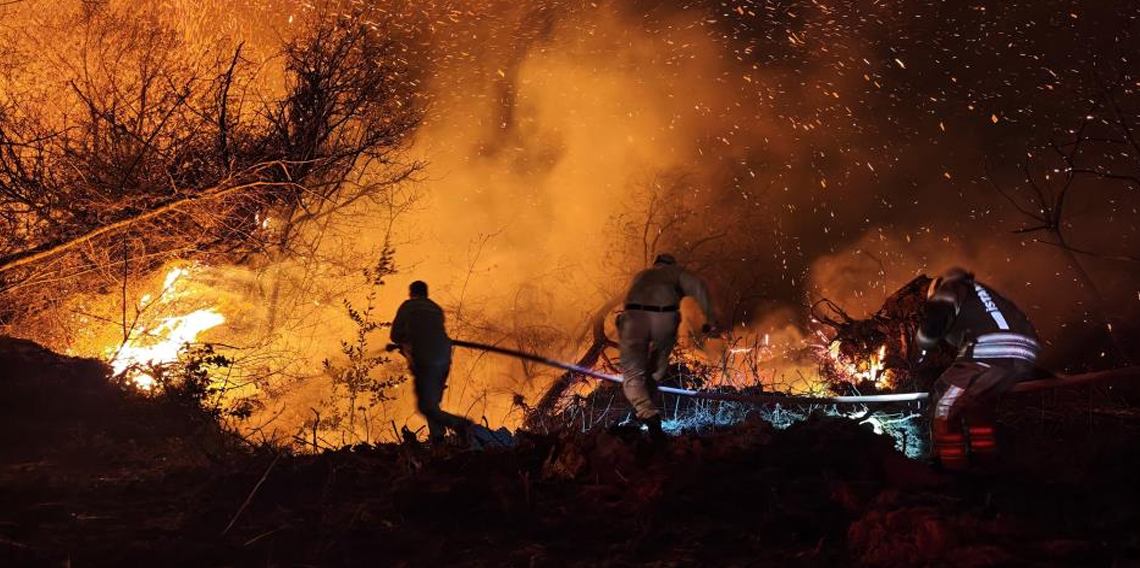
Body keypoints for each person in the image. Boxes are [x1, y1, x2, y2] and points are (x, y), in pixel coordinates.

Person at [915, 267, 1039, 470]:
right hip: (1023, 352)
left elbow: (936, 320)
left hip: (990, 350)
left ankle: (949, 468)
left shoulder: (950, 287)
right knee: (976, 404)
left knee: (944, 400)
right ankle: (985, 464)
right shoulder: (982, 294)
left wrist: (923, 344)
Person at [618, 253, 720, 444]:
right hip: (663, 318)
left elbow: (627, 298)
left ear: (655, 264)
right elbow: (698, 287)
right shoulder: (676, 273)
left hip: (633, 318)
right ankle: (651, 384)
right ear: (672, 265)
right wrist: (711, 322)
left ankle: (646, 411)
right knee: (657, 367)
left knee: (632, 373)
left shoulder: (641, 275)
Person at [390, 280, 472, 443]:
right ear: (426, 294)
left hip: (425, 360)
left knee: (426, 407)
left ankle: (460, 425)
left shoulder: (408, 306)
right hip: (444, 358)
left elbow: (395, 335)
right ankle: (438, 439)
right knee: (432, 404)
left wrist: (405, 341)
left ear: (411, 293)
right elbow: (437, 333)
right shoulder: (435, 308)